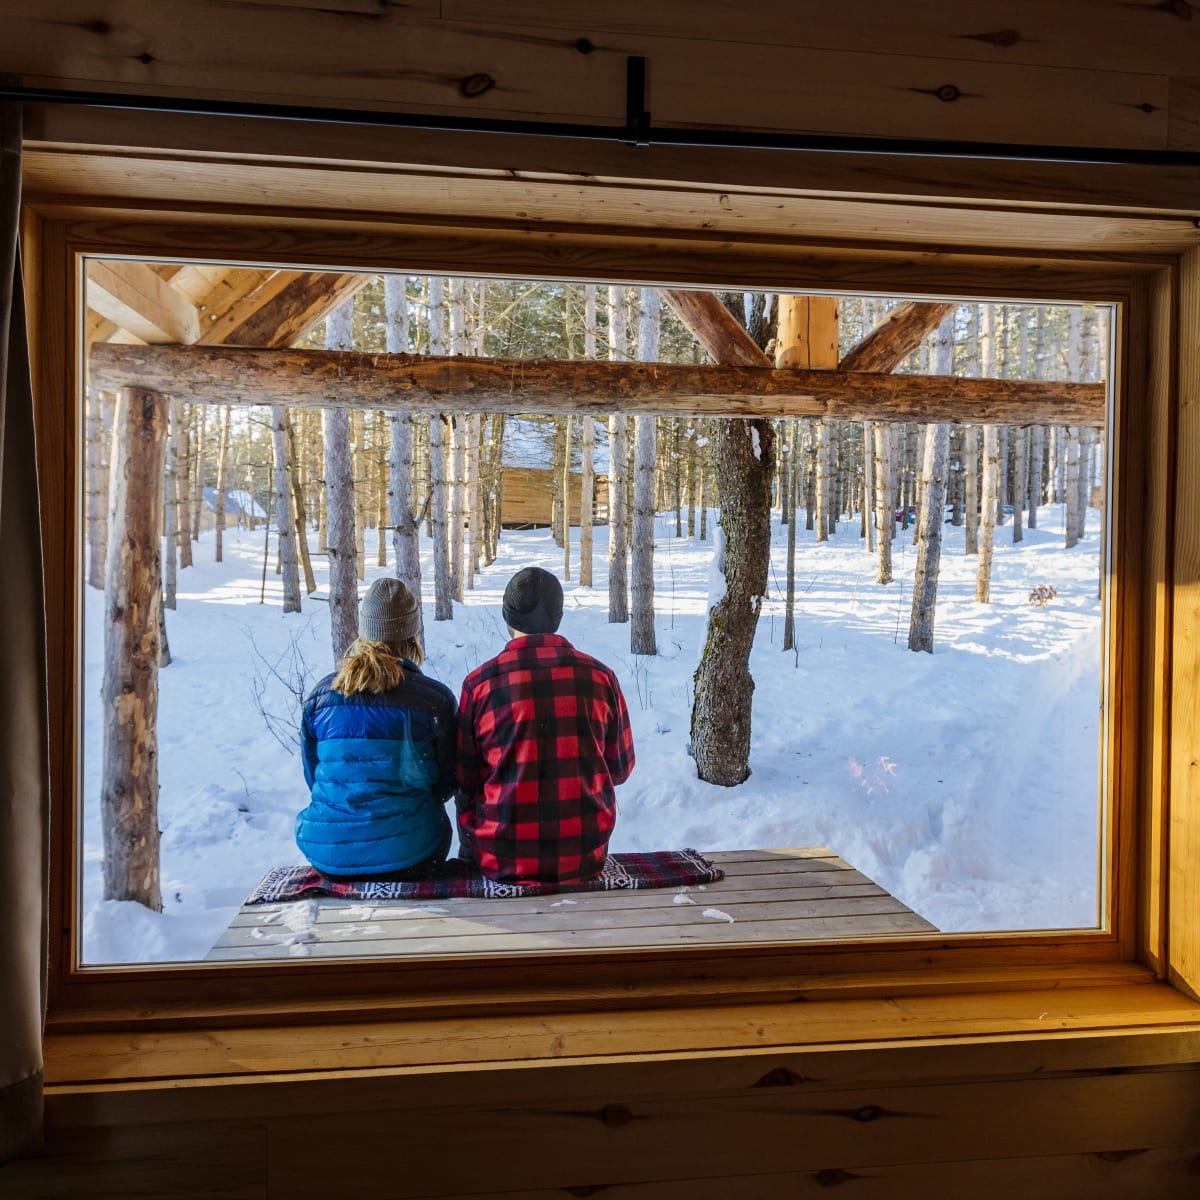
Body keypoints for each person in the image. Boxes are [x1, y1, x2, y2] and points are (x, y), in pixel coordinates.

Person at [455, 566, 635, 886]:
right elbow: (619, 769)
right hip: (584, 856)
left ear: (506, 617)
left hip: (501, 856)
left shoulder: (480, 684)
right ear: (558, 618)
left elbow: (465, 779)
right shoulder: (601, 677)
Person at [296, 577, 456, 880]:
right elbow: (446, 783)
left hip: (329, 855)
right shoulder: (433, 699)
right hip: (411, 856)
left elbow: (313, 775)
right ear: (411, 633)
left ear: (364, 631)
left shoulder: (321, 697)